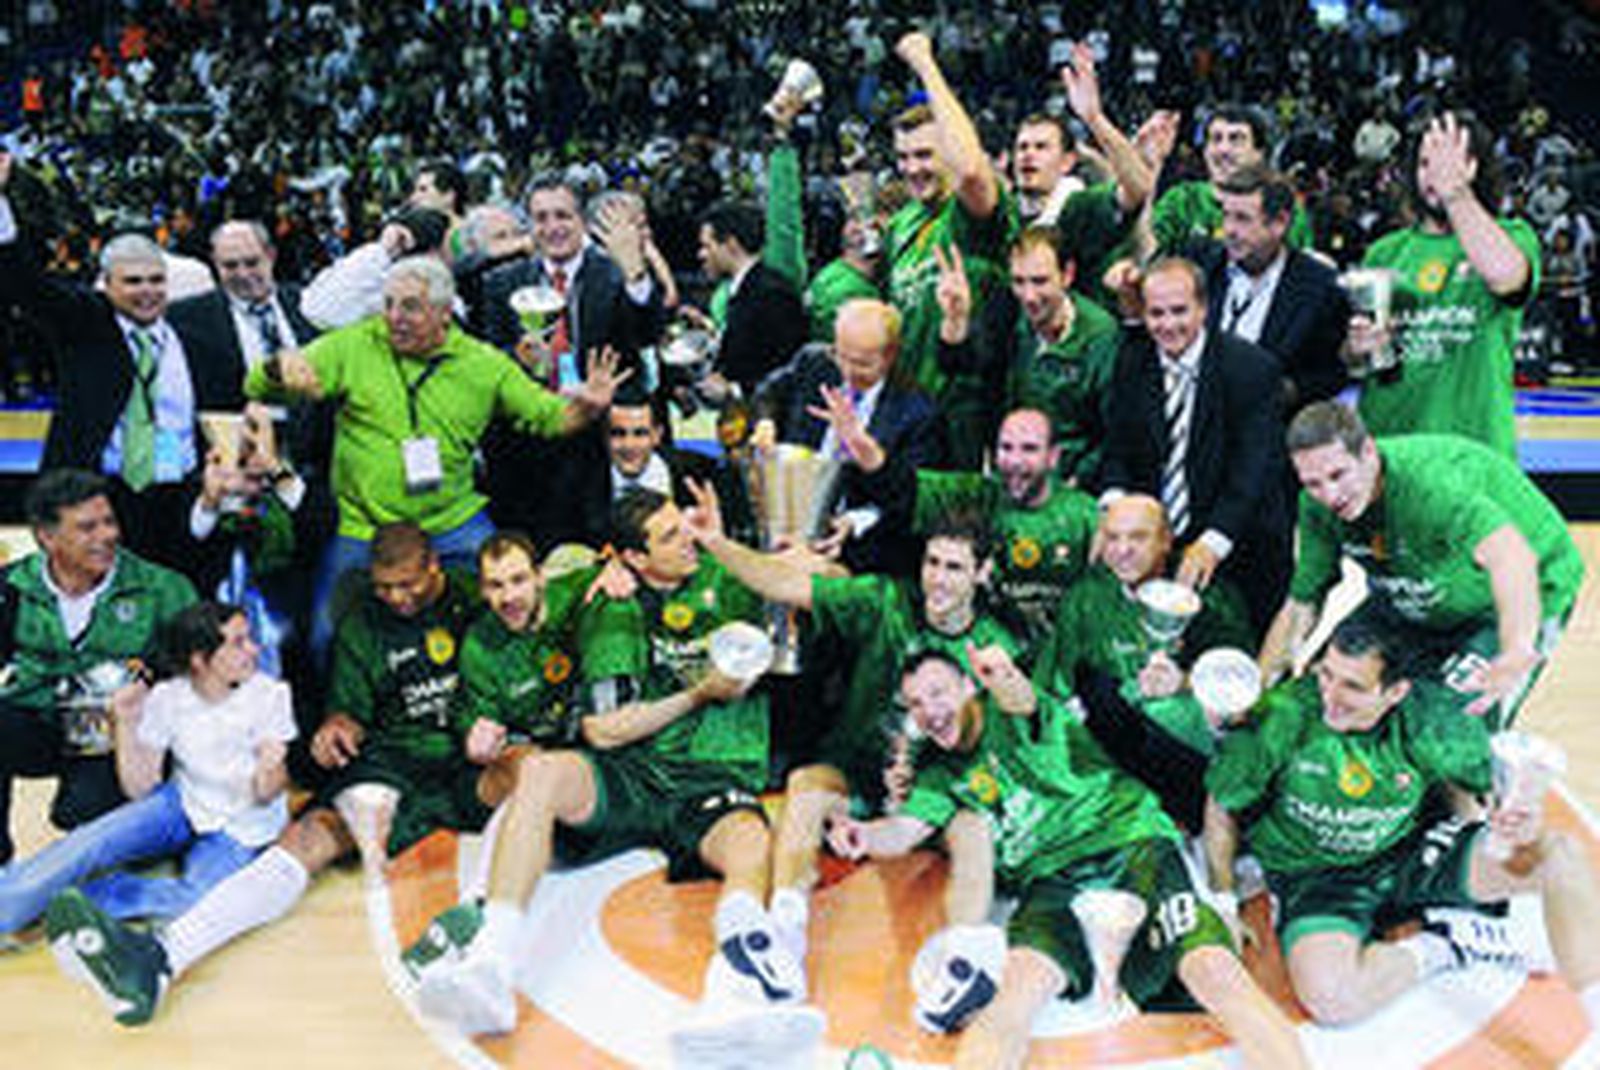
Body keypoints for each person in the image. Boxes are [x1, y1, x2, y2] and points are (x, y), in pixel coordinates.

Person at [40, 523, 525, 1027]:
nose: (397, 597)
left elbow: (536, 615)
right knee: (307, 835)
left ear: (434, 567)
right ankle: (160, 960)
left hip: (474, 756)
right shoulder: (362, 624)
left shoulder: (481, 597)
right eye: (385, 587)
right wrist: (336, 727)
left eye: (409, 584)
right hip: (395, 762)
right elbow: (347, 712)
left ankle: (475, 922)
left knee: (530, 775)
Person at [407, 490, 812, 1043]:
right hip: (634, 772)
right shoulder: (612, 606)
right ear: (636, 559)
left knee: (752, 848)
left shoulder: (729, 573)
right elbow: (604, 729)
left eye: (683, 527)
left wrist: (794, 550)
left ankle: (729, 998)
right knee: (541, 774)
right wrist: (701, 692)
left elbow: (816, 577)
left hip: (713, 777)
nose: (686, 538)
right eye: (669, 536)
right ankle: (491, 968)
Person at [828, 647, 1309, 1070]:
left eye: (938, 693)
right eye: (915, 703)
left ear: (970, 686)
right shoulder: (938, 776)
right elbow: (904, 831)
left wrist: (1005, 674)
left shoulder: (1011, 711)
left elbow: (1021, 698)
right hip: (1052, 885)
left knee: (1215, 973)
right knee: (1013, 998)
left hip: (1129, 844)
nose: (929, 710)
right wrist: (861, 835)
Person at [688, 484, 1021, 995]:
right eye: (933, 563)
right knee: (805, 786)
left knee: (974, 829)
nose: (938, 578)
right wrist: (716, 542)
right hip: (859, 770)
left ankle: (962, 962)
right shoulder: (885, 602)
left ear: (982, 572)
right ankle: (785, 936)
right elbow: (785, 585)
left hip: (937, 793)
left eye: (955, 568)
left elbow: (1000, 743)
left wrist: (928, 780)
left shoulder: (999, 647)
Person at [1206, 610, 1600, 1029]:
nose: (1330, 696)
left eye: (1353, 686)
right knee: (1333, 1001)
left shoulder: (1431, 721)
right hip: (1316, 876)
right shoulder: (1283, 716)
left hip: (1410, 852)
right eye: (1326, 675)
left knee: (1560, 856)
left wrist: (1504, 823)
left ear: (1395, 691)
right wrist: (1223, 901)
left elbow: (1477, 785)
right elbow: (1221, 804)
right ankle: (1447, 944)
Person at [245, 255, 628, 657]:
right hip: (366, 527)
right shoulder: (353, 344)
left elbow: (548, 418)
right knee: (325, 635)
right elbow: (255, 384)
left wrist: (587, 408)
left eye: (410, 306)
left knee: (514, 606)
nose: (394, 317)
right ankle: (341, 717)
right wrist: (276, 368)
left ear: (445, 314)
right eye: (388, 304)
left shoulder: (484, 365)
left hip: (452, 522)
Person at [1261, 402, 1584, 728]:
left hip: (1520, 589)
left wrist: (1516, 647)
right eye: (1313, 483)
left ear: (1369, 452)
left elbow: (1511, 555)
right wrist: (1258, 687)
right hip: (1414, 585)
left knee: (1458, 732)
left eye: (1338, 475)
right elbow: (1301, 604)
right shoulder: (1317, 507)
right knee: (1323, 697)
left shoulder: (1431, 486)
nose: (1330, 495)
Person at [0, 154, 245, 570]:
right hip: (98, 501)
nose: (146, 292)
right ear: (106, 284)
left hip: (180, 504)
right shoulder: (86, 326)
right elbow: (23, 284)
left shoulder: (197, 343)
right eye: (132, 282)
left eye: (155, 281)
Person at [1, 602, 293, 935]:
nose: (253, 649)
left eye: (249, 638)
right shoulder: (169, 699)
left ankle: (92, 900)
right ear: (200, 660)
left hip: (240, 827)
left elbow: (270, 791)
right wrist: (127, 721)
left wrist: (272, 764)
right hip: (180, 802)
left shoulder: (271, 697)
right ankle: (6, 909)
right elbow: (141, 788)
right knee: (92, 842)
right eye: (239, 642)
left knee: (198, 901)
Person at [0, 470, 197, 865]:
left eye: (109, 522)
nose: (106, 535)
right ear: (46, 537)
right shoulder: (11, 586)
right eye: (87, 527)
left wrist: (147, 687)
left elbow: (199, 673)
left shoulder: (165, 589)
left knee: (83, 816)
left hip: (119, 736)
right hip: (39, 718)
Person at [1033, 495, 1253, 832]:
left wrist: (1185, 683)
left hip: (1190, 756)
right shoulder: (1087, 596)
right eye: (1112, 537)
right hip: (1117, 750)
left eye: (1137, 537)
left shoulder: (1213, 599)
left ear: (1166, 540)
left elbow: (1243, 699)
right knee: (1098, 694)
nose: (1122, 550)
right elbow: (1052, 689)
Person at [1101, 257, 1292, 634]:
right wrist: (1113, 511)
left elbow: (1252, 471)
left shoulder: (1252, 369)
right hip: (1155, 540)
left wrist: (1212, 542)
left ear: (1204, 308)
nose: (1168, 325)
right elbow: (1118, 449)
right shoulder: (1132, 360)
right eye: (1156, 313)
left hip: (1238, 541)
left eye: (1179, 311)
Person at [473, 174, 661, 546]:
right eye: (541, 218)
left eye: (562, 216)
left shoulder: (614, 273)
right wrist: (518, 360)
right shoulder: (501, 283)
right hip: (525, 448)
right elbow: (488, 362)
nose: (552, 227)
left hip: (595, 443)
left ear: (582, 222)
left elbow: (646, 334)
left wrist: (635, 273)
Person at [1350, 112, 1541, 459]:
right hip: (1390, 447)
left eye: (1451, 162)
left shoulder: (1513, 236)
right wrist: (1358, 348)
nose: (1435, 175)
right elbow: (1360, 360)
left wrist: (1456, 192)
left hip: (1474, 450)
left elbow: (1505, 278)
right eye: (1426, 163)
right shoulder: (1384, 251)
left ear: (1477, 167)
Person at [833, 405, 1097, 654]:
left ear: (1053, 457)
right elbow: (904, 489)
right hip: (977, 653)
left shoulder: (1085, 516)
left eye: (1029, 449)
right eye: (1006, 448)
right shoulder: (975, 494)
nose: (1015, 461)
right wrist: (863, 447)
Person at [883, 32, 1011, 469]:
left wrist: (925, 65)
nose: (912, 169)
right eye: (903, 157)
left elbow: (972, 172)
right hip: (905, 411)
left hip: (963, 417)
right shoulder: (901, 223)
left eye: (924, 154)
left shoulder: (969, 213)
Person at [752, 298, 946, 574]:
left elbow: (910, 501)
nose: (847, 371)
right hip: (789, 517)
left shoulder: (918, 413)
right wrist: (766, 422)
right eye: (840, 356)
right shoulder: (814, 362)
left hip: (858, 553)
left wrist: (855, 522)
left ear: (890, 354)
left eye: (862, 364)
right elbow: (768, 392)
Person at [940, 227, 1121, 487]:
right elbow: (962, 375)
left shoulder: (1100, 336)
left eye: (1040, 281)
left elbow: (1113, 432)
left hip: (1069, 482)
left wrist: (1078, 479)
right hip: (1009, 473)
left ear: (1067, 274)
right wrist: (955, 321)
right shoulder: (1005, 315)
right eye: (1019, 281)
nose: (1029, 296)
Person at [1186, 165, 1349, 418]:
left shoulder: (1319, 288)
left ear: (1280, 223)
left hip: (1271, 435)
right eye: (1226, 215)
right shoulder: (1201, 265)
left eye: (1242, 218)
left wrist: (1286, 391)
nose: (1229, 229)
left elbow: (1331, 374)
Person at [1150, 105, 1314, 254]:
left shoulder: (1282, 207)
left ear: (1260, 153)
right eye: (1216, 139)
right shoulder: (1183, 200)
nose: (1223, 150)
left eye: (1236, 139)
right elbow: (1147, 253)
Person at [696, 201, 808, 397]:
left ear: (731, 244)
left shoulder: (773, 294)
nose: (701, 254)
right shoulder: (745, 288)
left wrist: (735, 390)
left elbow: (789, 368)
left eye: (707, 246)